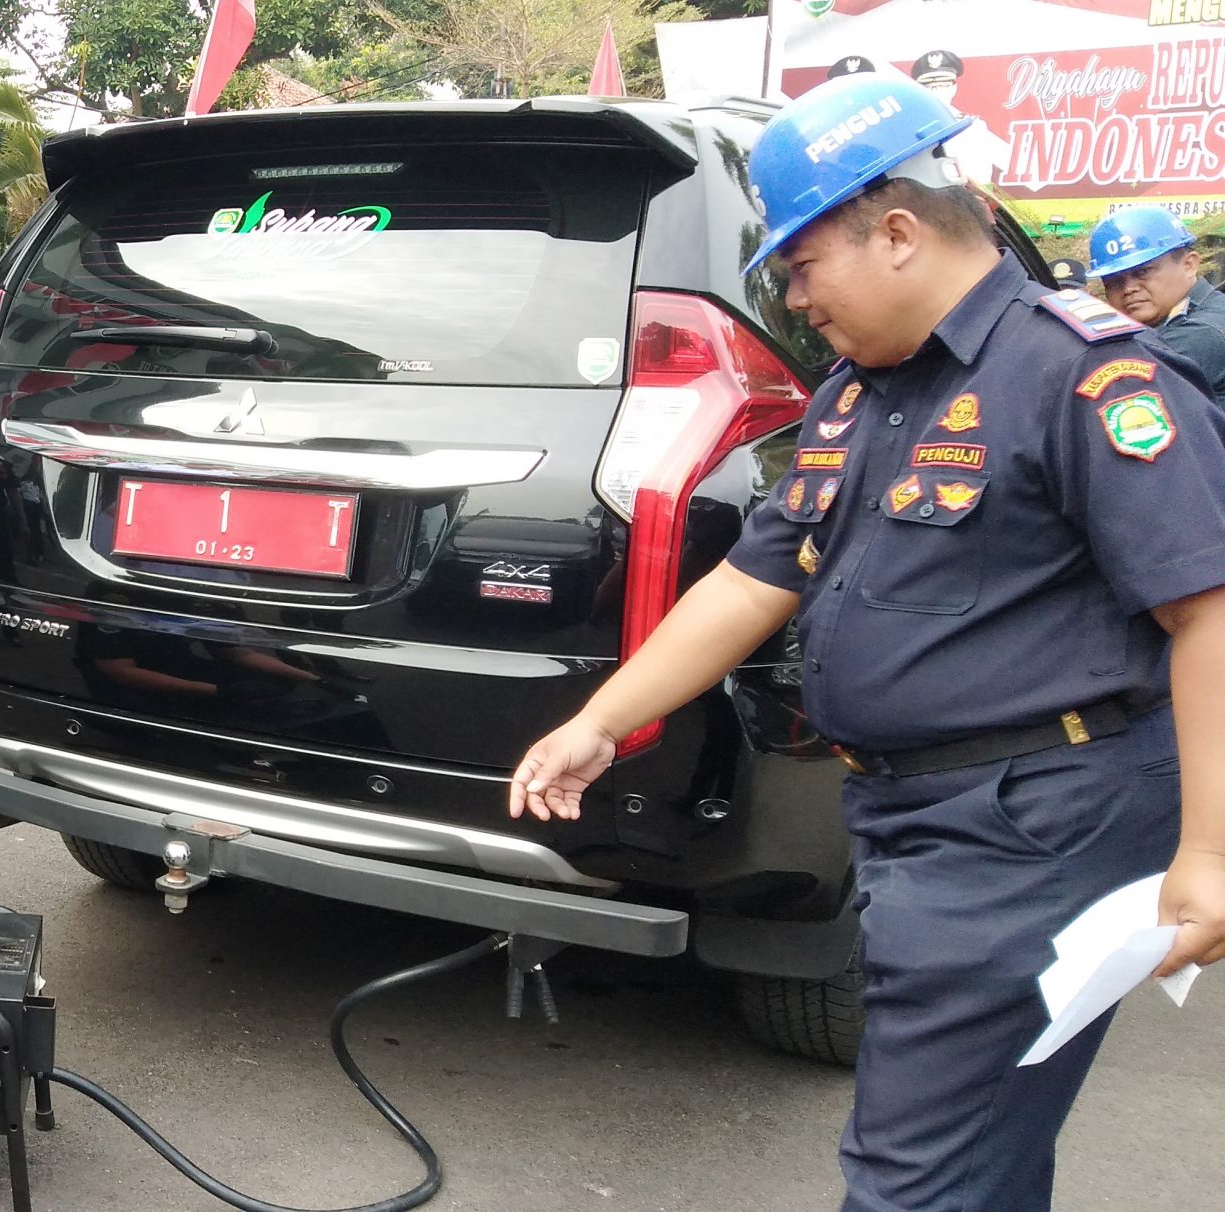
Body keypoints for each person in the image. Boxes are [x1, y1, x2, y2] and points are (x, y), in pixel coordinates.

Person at [507, 73, 1225, 1212]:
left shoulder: (1084, 374)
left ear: (895, 232)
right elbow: (755, 577)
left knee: (915, 1180)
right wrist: (600, 720)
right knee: (981, 1152)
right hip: (910, 818)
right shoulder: (860, 392)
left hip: (1027, 828)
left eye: (800, 265)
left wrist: (1211, 854)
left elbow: (1208, 609)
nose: (794, 298)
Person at [1088, 204, 1225, 395]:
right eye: (1114, 282)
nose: (1128, 289)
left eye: (1143, 272)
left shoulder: (1202, 333)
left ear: (1189, 265)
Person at [911, 49, 1009, 185]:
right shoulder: (910, 128)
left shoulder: (971, 128)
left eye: (942, 85)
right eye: (929, 87)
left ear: (953, 88)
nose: (935, 92)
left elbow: (980, 178)